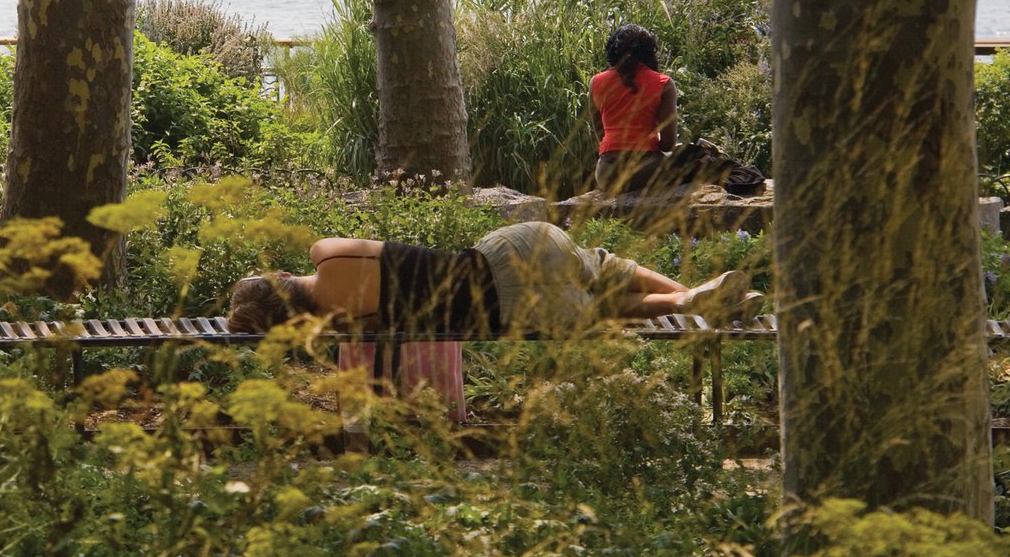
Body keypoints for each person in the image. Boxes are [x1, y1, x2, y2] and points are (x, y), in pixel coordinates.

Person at [226, 221, 761, 339]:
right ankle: (693, 292)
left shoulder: (345, 330)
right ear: (279, 278)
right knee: (601, 265)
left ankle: (691, 301)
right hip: (503, 257)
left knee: (598, 309)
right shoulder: (326, 258)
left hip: (509, 316)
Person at [588, 23, 678, 192]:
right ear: (650, 52)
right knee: (694, 163)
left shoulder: (595, 82)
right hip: (645, 171)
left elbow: (601, 135)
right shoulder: (663, 83)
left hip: (607, 174)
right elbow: (668, 144)